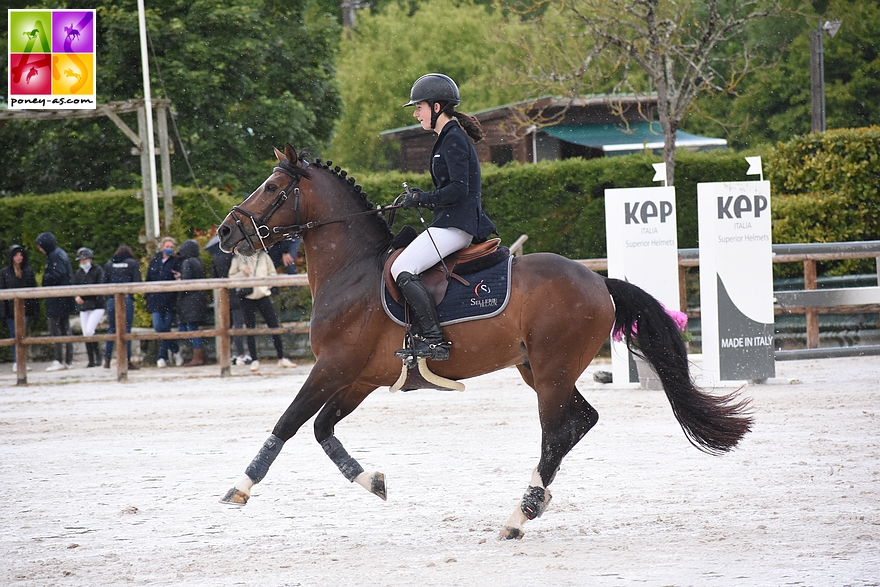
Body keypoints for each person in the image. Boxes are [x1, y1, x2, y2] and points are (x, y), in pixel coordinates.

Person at [392, 73, 497, 361]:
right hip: (449, 221)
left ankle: (435, 340)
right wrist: (420, 195)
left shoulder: (453, 139)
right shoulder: (446, 138)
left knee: (402, 268)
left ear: (436, 107)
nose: (416, 114)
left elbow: (458, 189)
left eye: (419, 107)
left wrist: (423, 199)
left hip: (456, 225)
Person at [228, 249, 296, 372]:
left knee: (274, 325)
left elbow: (272, 273)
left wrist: (265, 285)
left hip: (263, 295)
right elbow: (231, 278)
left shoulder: (264, 256)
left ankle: (281, 357)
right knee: (250, 329)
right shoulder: (238, 259)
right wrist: (242, 274)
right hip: (247, 296)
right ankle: (254, 359)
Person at [35, 232, 77, 371]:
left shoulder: (55, 256)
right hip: (64, 297)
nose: (40, 249)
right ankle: (68, 360)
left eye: (41, 246)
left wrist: (46, 279)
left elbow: (59, 273)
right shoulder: (60, 253)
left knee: (55, 328)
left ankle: (59, 359)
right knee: (65, 328)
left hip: (58, 298)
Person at [207, 235, 249, 365]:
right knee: (237, 325)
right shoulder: (235, 257)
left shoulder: (216, 259)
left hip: (223, 296)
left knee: (225, 326)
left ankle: (227, 354)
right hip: (237, 294)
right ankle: (241, 353)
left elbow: (214, 277)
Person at [0, 244, 40, 371]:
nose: (19, 257)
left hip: (25, 310)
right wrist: (3, 312)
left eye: (21, 255)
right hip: (11, 311)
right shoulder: (4, 273)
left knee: (22, 335)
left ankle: (22, 360)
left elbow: (33, 291)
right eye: (16, 255)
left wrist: (35, 310)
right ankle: (17, 361)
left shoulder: (28, 271)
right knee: (14, 335)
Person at [102, 245, 142, 370]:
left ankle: (107, 359)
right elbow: (138, 282)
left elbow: (104, 282)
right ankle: (126, 360)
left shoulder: (109, 264)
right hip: (126, 299)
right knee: (126, 330)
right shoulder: (133, 264)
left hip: (111, 299)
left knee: (112, 329)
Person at [145, 237, 183, 368]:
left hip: (170, 300)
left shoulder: (177, 262)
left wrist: (179, 277)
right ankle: (175, 350)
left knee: (165, 327)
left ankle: (161, 356)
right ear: (162, 247)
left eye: (172, 247)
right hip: (155, 300)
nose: (169, 249)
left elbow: (181, 277)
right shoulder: (154, 262)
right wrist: (148, 297)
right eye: (167, 246)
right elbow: (148, 279)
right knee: (159, 327)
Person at [175, 239, 209, 367]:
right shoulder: (199, 261)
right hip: (198, 298)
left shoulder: (187, 262)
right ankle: (198, 354)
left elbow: (187, 282)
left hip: (189, 300)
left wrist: (180, 279)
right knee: (190, 328)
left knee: (190, 329)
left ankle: (198, 356)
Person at [73, 247, 105, 368]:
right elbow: (75, 287)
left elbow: (99, 287)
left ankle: (98, 356)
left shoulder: (97, 270)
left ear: (90, 259)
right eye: (81, 260)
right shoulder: (79, 273)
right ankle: (91, 359)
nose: (83, 262)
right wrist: (77, 296)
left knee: (90, 330)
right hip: (84, 306)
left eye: (84, 260)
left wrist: (86, 295)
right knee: (86, 333)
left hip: (96, 305)